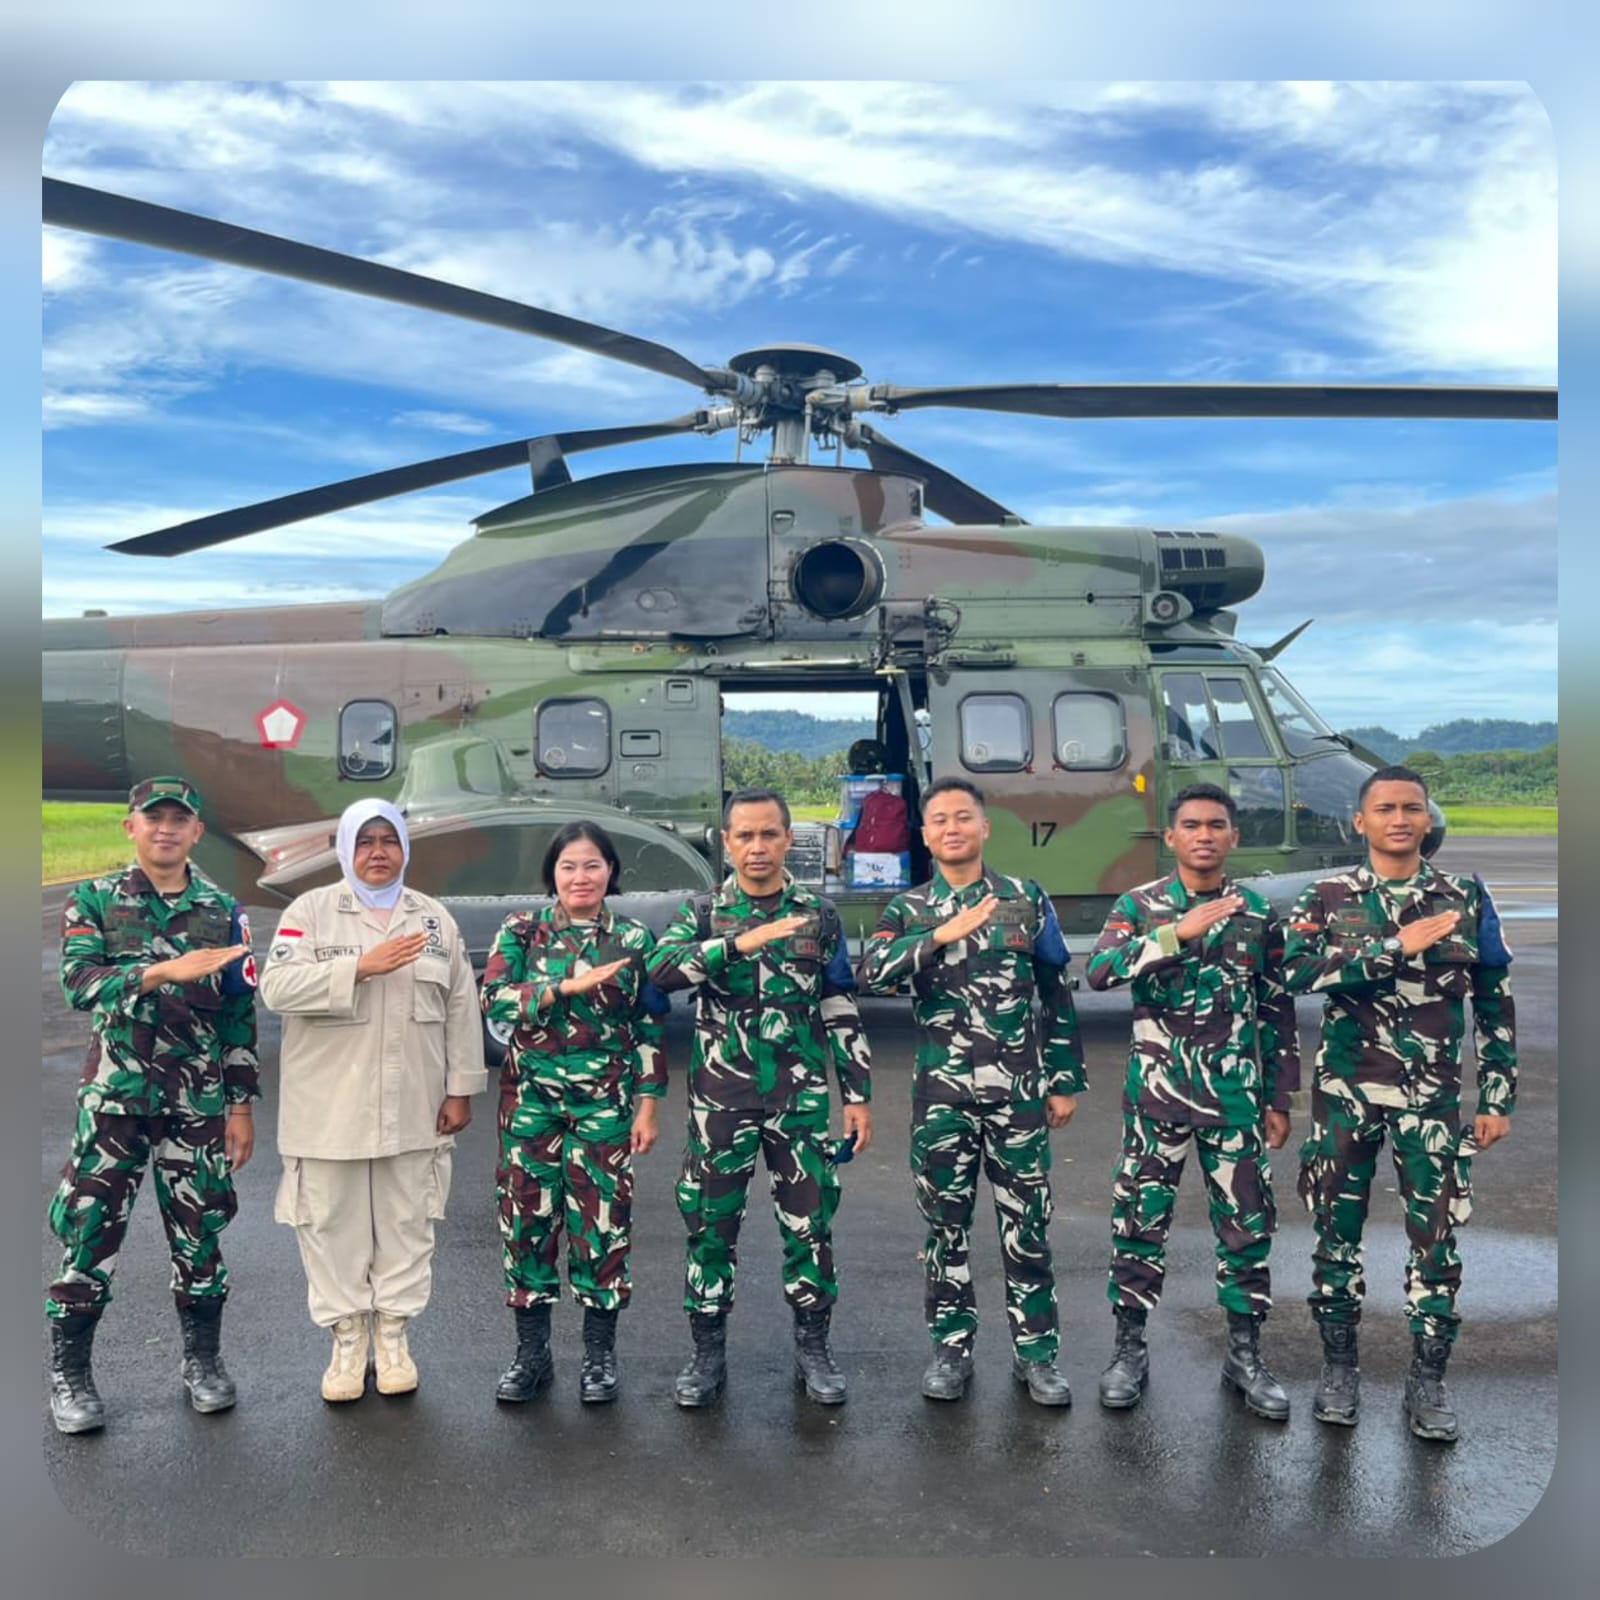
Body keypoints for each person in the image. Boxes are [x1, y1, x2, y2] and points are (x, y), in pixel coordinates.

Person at [1283, 765, 1516, 1442]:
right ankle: (1339, 1368)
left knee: (1437, 1237)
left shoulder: (1463, 897)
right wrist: (1391, 948)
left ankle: (1429, 1378)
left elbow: (1494, 999)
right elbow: (1293, 972)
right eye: (1385, 808)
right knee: (1336, 1232)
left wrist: (1496, 1094)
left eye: (1412, 808)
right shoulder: (1327, 896)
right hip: (1346, 1096)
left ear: (1426, 818)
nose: (1399, 819)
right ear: (1360, 822)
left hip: (1432, 1101)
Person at [858, 776, 1082, 1406]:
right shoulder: (908, 910)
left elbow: (1056, 991)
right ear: (925, 836)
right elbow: (872, 974)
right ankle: (951, 1350)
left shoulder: (1025, 898)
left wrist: (1063, 1080)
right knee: (945, 1229)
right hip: (942, 1098)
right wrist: (940, 935)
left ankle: (1037, 1356)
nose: (952, 828)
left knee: (1027, 1226)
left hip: (1018, 1095)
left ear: (985, 827)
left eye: (963, 817)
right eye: (940, 820)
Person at [647, 787, 873, 1408]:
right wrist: (736, 945)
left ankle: (813, 1350)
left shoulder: (818, 915)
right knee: (710, 1227)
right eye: (744, 835)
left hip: (799, 1101)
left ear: (788, 838)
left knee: (810, 1226)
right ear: (726, 843)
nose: (757, 847)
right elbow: (660, 975)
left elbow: (838, 1001)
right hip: (721, 1102)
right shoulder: (701, 913)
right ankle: (706, 1355)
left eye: (769, 834)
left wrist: (857, 1093)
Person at [47, 775, 258, 1434]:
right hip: (115, 1102)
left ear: (197, 832)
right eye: (154, 818)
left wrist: (241, 1106)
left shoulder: (222, 910)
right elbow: (79, 983)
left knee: (200, 1237)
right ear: (131, 827)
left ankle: (203, 1364)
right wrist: (161, 972)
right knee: (88, 1235)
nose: (166, 829)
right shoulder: (95, 898)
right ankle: (71, 1375)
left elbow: (238, 1013)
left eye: (179, 820)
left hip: (194, 1105)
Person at [1084, 782, 1300, 1420]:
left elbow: (1277, 1008)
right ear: (1171, 837)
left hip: (1234, 1103)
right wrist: (1174, 934)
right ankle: (1129, 1352)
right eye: (1192, 825)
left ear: (1234, 837)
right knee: (1139, 1224)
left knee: (1247, 1228)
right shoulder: (1140, 905)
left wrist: (1280, 1095)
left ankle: (1245, 1355)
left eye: (1216, 825)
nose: (1204, 835)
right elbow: (1099, 973)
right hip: (1157, 1099)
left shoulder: (1256, 912)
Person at [258, 799, 486, 1402]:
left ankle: (393, 1339)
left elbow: (461, 1007)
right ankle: (347, 1340)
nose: (378, 852)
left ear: (405, 848)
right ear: (345, 850)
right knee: (331, 1226)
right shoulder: (309, 912)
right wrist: (359, 967)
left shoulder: (433, 919)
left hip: (414, 1106)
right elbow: (276, 988)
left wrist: (461, 1089)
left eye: (389, 840)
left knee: (408, 1224)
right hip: (328, 1112)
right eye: (365, 841)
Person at [480, 820, 669, 1405]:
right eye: (568, 866)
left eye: (592, 865)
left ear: (611, 871)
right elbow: (494, 999)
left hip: (604, 1108)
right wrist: (563, 988)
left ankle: (598, 1358)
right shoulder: (522, 930)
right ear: (552, 874)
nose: (580, 876)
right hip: (531, 1105)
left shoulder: (633, 938)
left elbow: (648, 1023)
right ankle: (531, 1356)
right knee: (526, 1223)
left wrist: (648, 1104)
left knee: (602, 1226)